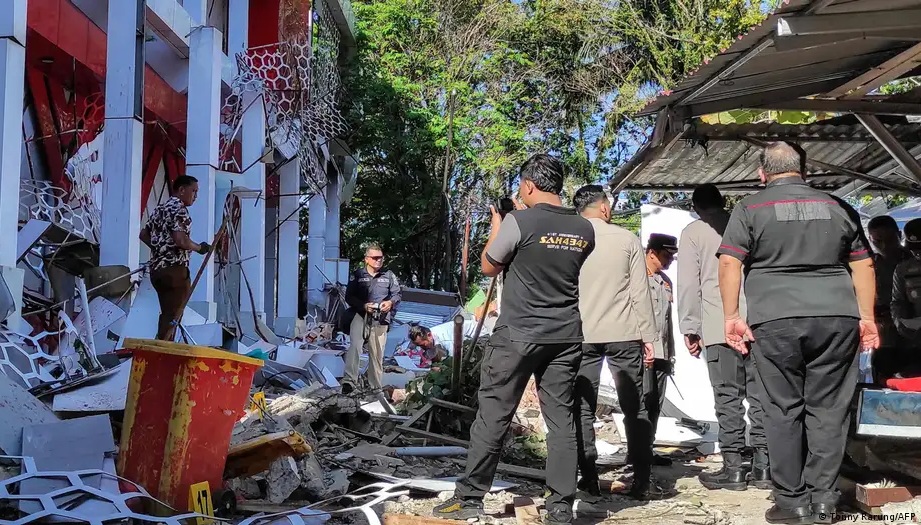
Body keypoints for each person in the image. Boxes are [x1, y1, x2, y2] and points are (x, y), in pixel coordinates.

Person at [717, 141, 878, 525]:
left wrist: (732, 316)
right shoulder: (838, 207)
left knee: (781, 408)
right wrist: (867, 318)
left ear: (762, 173)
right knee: (830, 410)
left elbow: (729, 262)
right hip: (837, 317)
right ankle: (823, 501)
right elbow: (864, 265)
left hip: (775, 318)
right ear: (805, 170)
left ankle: (792, 502)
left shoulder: (750, 208)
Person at [433, 154, 594, 524]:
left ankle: (470, 498)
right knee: (561, 422)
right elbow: (555, 256)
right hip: (565, 335)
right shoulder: (585, 228)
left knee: (494, 415)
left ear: (529, 185)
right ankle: (560, 507)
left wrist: (499, 224)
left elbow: (489, 266)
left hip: (518, 334)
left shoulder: (519, 222)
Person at [677, 184, 769, 491]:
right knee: (760, 396)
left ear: (696, 208)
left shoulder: (694, 232)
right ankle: (763, 467)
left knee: (728, 397)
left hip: (718, 324)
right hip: (756, 322)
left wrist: (690, 326)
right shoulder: (748, 224)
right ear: (723, 202)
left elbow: (688, 284)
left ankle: (733, 468)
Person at [572, 185, 656, 501]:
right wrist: (649, 337)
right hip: (624, 333)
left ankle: (589, 477)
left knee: (582, 407)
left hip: (582, 334)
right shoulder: (626, 239)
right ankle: (641, 480)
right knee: (634, 407)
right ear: (605, 208)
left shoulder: (571, 240)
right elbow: (640, 292)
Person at [139, 175, 211, 341]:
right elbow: (181, 240)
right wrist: (199, 248)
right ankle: (163, 347)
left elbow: (143, 234)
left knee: (167, 312)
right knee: (174, 314)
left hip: (157, 270)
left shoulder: (160, 209)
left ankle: (162, 344)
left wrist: (160, 248)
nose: (196, 196)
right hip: (175, 270)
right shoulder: (179, 210)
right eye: (193, 191)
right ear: (182, 190)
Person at [343, 243, 402, 394]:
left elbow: (397, 294)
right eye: (375, 258)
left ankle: (375, 387)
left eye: (381, 258)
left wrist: (390, 303)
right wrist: (363, 306)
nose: (378, 260)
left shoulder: (388, 275)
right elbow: (349, 296)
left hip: (380, 318)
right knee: (355, 347)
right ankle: (349, 382)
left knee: (377, 353)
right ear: (366, 259)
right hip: (361, 315)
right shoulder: (358, 275)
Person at [644, 234, 677, 467]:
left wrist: (671, 353)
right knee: (642, 403)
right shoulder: (636, 278)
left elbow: (667, 321)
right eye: (666, 256)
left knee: (655, 405)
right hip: (642, 352)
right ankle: (637, 451)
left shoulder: (665, 282)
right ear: (651, 253)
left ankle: (648, 448)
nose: (669, 261)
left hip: (662, 352)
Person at [868, 215, 911, 382]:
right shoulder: (868, 266)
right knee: (883, 378)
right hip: (884, 336)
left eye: (890, 240)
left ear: (899, 235)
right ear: (870, 240)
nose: (884, 246)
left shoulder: (913, 261)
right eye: (878, 241)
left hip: (913, 334)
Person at [889, 218, 921, 378]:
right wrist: (900, 323)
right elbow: (897, 302)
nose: (918, 253)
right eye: (914, 249)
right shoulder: (903, 269)